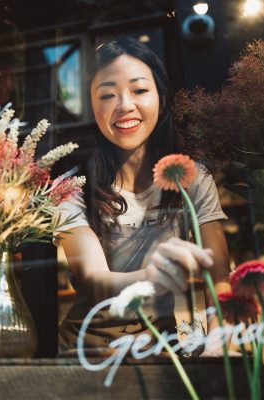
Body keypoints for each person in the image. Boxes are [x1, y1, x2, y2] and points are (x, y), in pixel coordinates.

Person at [56, 37, 230, 351]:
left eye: (139, 90)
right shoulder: (73, 188)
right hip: (93, 352)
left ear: (161, 99)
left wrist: (218, 344)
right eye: (107, 94)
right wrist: (157, 275)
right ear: (90, 109)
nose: (124, 105)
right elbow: (95, 282)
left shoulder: (193, 179)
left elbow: (219, 283)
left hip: (171, 348)